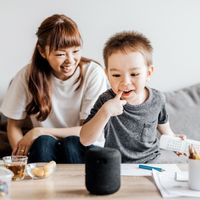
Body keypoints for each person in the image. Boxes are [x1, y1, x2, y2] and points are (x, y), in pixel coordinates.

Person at [0, 14, 107, 163]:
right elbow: (13, 125)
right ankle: (41, 186)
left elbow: (86, 131)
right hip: (44, 146)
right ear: (42, 51)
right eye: (61, 54)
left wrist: (38, 131)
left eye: (75, 51)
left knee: (71, 143)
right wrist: (20, 159)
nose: (70, 60)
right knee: (43, 143)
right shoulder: (27, 75)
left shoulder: (93, 73)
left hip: (83, 144)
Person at [80, 31, 184, 163]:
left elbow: (167, 131)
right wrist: (105, 112)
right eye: (116, 75)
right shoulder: (106, 100)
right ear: (107, 74)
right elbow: (85, 139)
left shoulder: (158, 99)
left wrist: (176, 142)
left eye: (134, 74)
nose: (125, 82)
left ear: (149, 72)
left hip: (151, 163)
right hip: (118, 166)